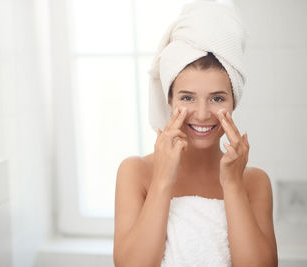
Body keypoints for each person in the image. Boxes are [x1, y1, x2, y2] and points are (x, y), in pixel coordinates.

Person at [113, 1, 277, 266]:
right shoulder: (136, 173)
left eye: (217, 98)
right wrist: (163, 178)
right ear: (169, 100)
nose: (202, 114)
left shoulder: (254, 182)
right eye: (187, 97)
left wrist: (233, 185)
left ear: (233, 102)